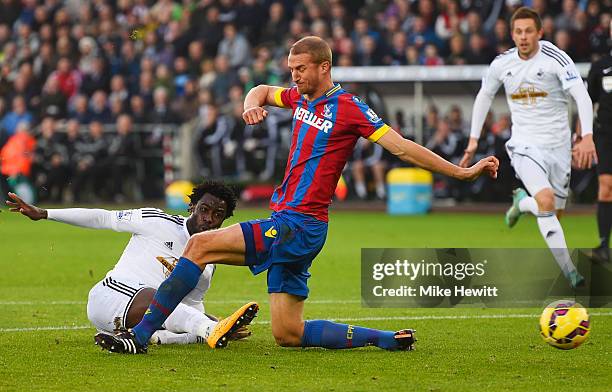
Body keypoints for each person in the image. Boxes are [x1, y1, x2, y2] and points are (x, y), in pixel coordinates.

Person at [97, 36, 498, 354]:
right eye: (290, 69)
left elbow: (403, 147)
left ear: (324, 67)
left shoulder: (349, 108)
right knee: (288, 333)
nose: (294, 77)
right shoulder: (300, 97)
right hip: (300, 228)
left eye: (301, 69)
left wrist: (461, 171)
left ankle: (141, 337)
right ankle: (383, 339)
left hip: (296, 224)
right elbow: (260, 90)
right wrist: (250, 106)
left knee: (199, 244)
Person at [6, 181, 255, 349]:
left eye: (217, 214)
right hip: (109, 296)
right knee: (164, 300)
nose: (208, 219)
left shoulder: (208, 264)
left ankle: (164, 337)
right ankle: (208, 330)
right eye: (204, 209)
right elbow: (104, 217)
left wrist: (216, 321)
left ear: (225, 219)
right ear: (192, 206)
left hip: (139, 319)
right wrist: (46, 213)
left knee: (176, 310)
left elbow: (189, 307)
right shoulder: (157, 220)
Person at [460, 7, 596, 288]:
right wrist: (473, 140)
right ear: (512, 34)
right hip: (524, 146)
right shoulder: (502, 64)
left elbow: (581, 96)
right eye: (518, 32)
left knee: (554, 213)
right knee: (546, 202)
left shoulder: (556, 59)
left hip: (559, 148)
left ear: (540, 33)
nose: (523, 37)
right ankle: (571, 273)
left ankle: (521, 203)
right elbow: (484, 96)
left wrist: (587, 136)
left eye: (528, 31)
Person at [587, 40, 612, 263]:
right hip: (606, 135)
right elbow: (588, 102)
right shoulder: (600, 67)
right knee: (606, 188)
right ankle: (604, 244)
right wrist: (582, 136)